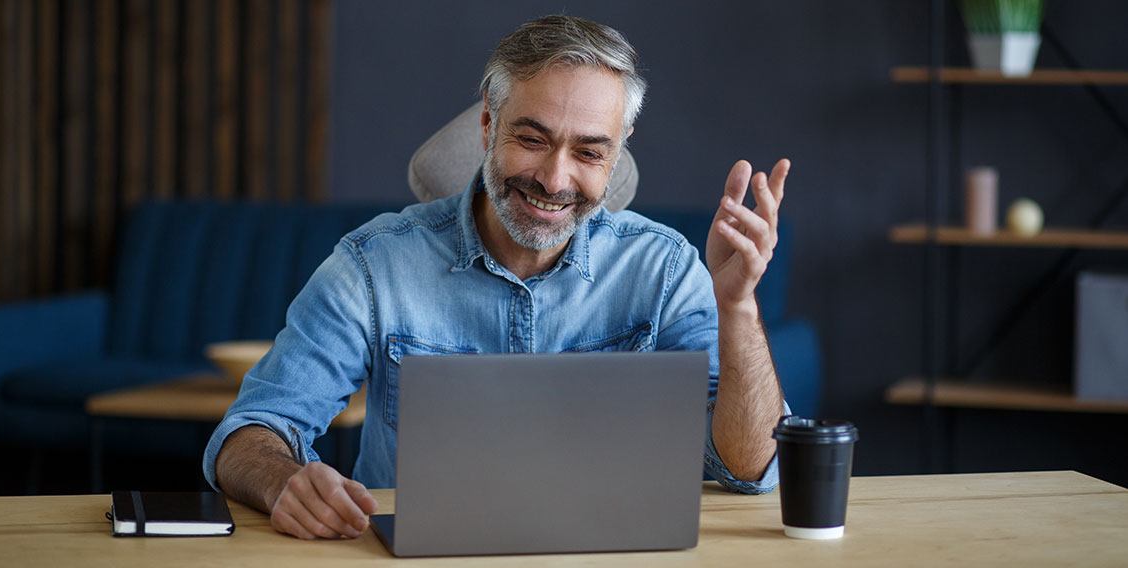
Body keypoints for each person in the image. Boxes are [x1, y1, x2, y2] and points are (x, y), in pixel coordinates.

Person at [203, 14, 791, 540]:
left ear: (619, 151)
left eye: (589, 153)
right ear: (488, 123)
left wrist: (738, 305)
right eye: (532, 140)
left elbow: (751, 469)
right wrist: (282, 480)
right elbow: (251, 431)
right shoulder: (373, 264)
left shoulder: (663, 269)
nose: (555, 180)